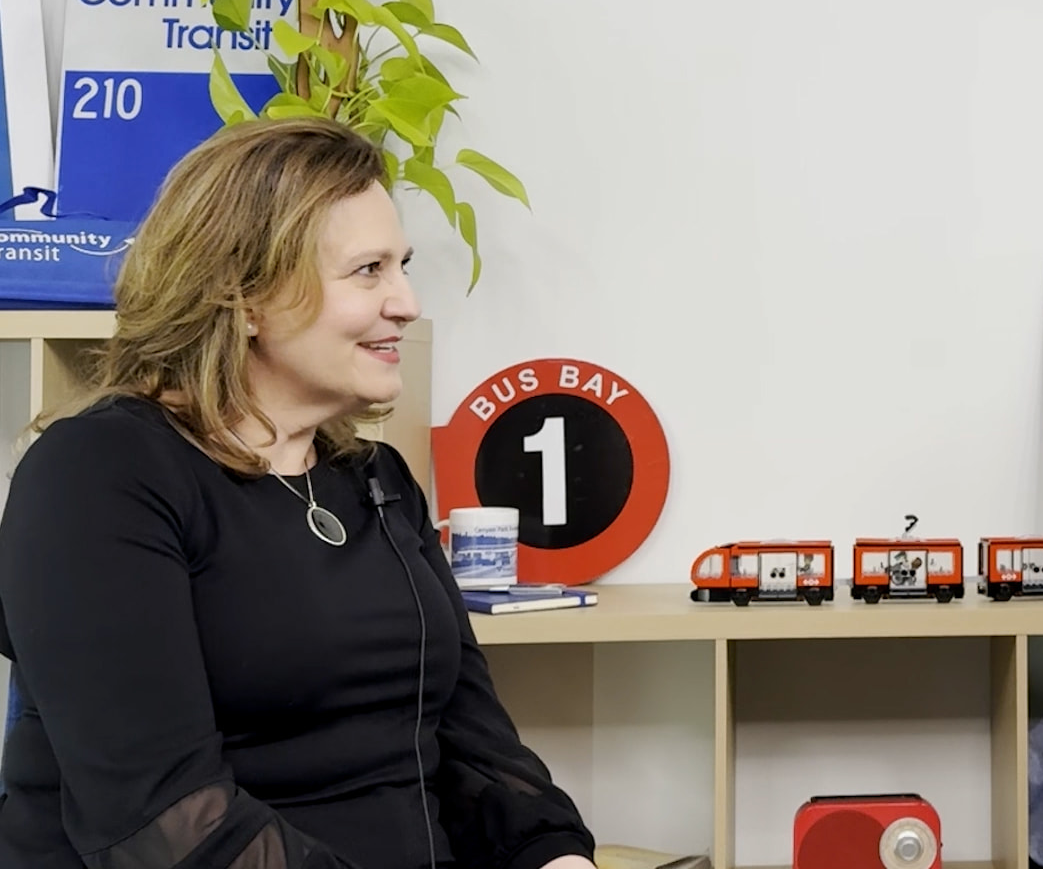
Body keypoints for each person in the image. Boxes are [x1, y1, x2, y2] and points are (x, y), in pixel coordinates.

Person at [0, 117, 597, 869]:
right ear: (244, 296)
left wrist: (553, 856)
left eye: (402, 266)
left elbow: (476, 751)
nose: (407, 303)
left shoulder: (377, 482)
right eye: (369, 271)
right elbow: (162, 820)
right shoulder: (98, 475)